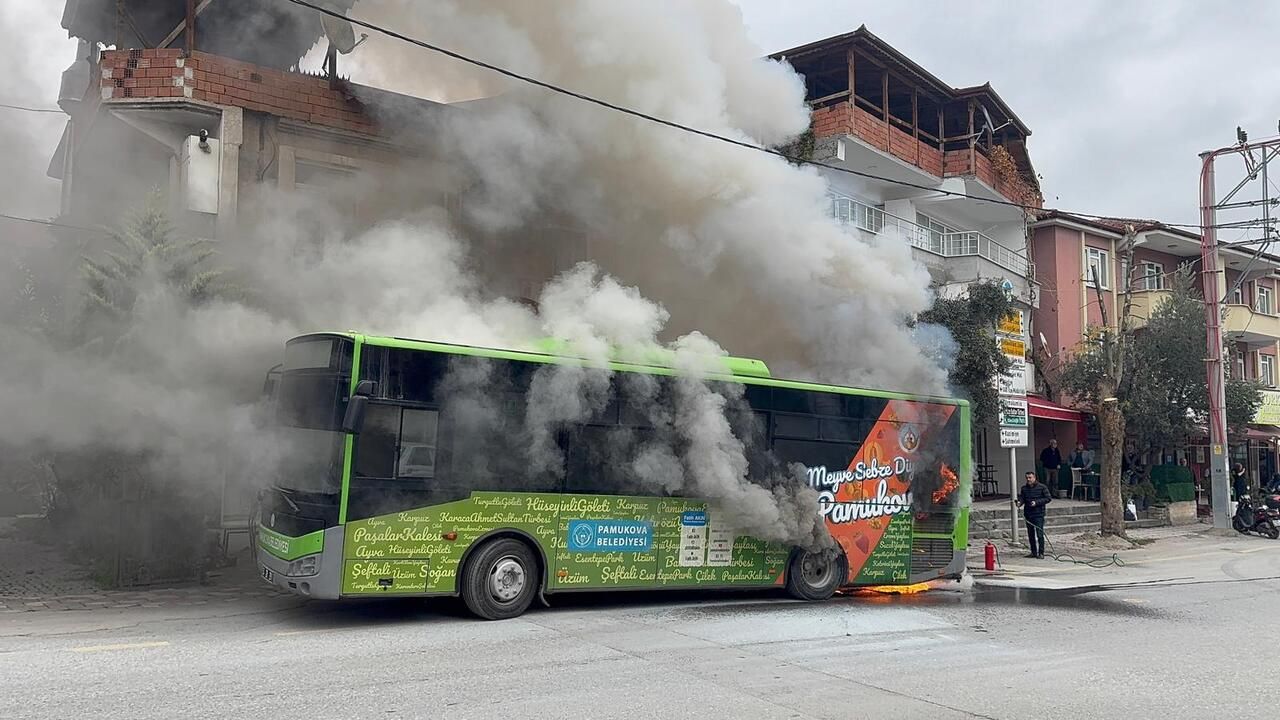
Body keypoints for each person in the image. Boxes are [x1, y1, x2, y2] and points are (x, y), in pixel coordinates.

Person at [1016, 470, 1053, 559]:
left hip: (1039, 514)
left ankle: (1041, 552)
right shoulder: (1024, 488)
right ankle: (1033, 552)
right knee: (1030, 534)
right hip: (1028, 514)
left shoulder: (1042, 487)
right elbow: (1022, 498)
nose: (1028, 479)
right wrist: (1019, 503)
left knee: (1039, 534)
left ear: (1034, 478)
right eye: (1027, 478)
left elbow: (1048, 498)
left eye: (1030, 478)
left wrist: (1036, 502)